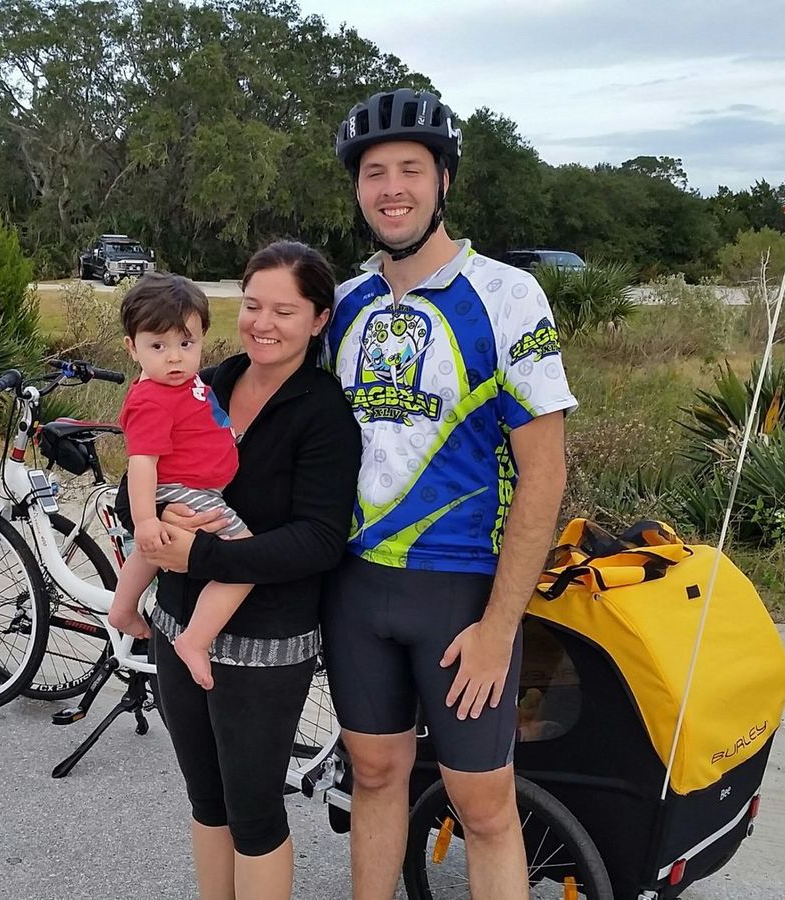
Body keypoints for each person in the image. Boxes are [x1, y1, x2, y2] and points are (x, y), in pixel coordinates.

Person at [324, 88, 577, 900]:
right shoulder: (345, 304)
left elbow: (545, 472)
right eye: (374, 173)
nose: (391, 188)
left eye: (410, 168)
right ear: (357, 188)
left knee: (484, 805)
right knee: (373, 773)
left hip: (460, 591)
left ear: (444, 181)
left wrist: (500, 628)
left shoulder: (507, 296)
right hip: (356, 586)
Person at [132, 240, 361, 900]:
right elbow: (138, 478)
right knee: (206, 799)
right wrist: (158, 513)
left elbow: (319, 541)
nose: (263, 323)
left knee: (254, 813)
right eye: (253, 305)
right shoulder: (210, 381)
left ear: (319, 320)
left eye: (284, 311)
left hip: (265, 644)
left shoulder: (323, 412)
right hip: (177, 623)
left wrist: (203, 555)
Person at [107, 273, 255, 691]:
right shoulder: (151, 400)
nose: (174, 358)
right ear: (132, 348)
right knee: (246, 559)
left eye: (186, 344)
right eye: (158, 346)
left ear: (202, 338)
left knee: (153, 550)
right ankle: (196, 639)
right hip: (185, 489)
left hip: (196, 486)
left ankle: (122, 608)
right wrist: (145, 520)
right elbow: (142, 464)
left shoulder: (187, 383)